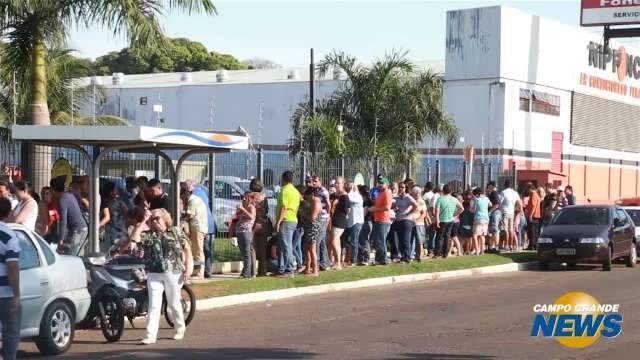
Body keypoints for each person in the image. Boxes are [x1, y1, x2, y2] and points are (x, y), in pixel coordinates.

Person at [131, 208, 192, 345]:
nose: (155, 221)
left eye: (157, 218)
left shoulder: (175, 231)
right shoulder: (148, 235)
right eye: (152, 219)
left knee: (173, 303)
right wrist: (143, 221)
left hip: (173, 272)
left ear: (165, 218)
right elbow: (134, 239)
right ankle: (150, 335)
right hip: (154, 273)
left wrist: (189, 267)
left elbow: (187, 248)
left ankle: (179, 328)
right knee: (154, 305)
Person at [0, 197, 21, 360]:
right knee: (11, 331)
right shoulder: (9, 235)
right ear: (8, 213)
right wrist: (16, 294)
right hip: (5, 294)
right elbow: (12, 267)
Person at [51, 176, 88, 255]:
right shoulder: (68, 194)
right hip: (80, 228)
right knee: (77, 254)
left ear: (53, 190)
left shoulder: (63, 199)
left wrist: (61, 240)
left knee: (72, 256)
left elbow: (63, 221)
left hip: (78, 230)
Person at [275, 171, 301, 277]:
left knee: (286, 246)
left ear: (283, 179)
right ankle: (285, 268)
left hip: (286, 220)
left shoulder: (284, 190)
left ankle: (289, 269)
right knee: (287, 245)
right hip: (293, 219)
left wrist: (278, 222)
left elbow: (284, 207)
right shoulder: (295, 191)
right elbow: (297, 206)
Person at [181, 182, 209, 280]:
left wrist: (182, 220)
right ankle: (197, 271)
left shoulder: (192, 200)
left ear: (186, 194)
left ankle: (200, 273)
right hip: (197, 227)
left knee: (198, 250)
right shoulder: (194, 199)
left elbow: (190, 215)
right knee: (195, 250)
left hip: (198, 227)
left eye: (182, 196)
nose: (182, 198)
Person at [190, 181, 216, 279]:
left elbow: (191, 213)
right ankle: (207, 270)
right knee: (207, 250)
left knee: (200, 250)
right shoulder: (203, 192)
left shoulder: (194, 196)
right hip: (209, 224)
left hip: (201, 225)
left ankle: (201, 271)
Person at [368, 175, 393, 265]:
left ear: (387, 184)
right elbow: (378, 204)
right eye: (379, 183)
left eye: (382, 183)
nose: (380, 184)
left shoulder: (387, 192)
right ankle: (379, 259)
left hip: (383, 220)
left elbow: (387, 207)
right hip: (378, 219)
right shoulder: (380, 193)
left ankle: (383, 259)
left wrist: (374, 209)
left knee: (381, 241)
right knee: (378, 241)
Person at [391, 181, 417, 263]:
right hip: (398, 220)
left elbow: (415, 205)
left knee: (406, 239)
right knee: (401, 239)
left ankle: (407, 257)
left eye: (403, 187)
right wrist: (394, 209)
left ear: (406, 188)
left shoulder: (408, 197)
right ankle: (402, 256)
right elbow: (391, 205)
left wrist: (410, 212)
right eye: (400, 187)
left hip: (406, 220)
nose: (401, 189)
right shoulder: (396, 198)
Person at [435, 184, 464, 258]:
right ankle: (445, 253)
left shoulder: (440, 199)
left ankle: (438, 252)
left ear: (443, 190)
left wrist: (437, 220)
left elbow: (437, 211)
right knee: (447, 237)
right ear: (451, 191)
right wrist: (454, 214)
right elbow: (462, 208)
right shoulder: (454, 199)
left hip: (442, 220)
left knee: (439, 237)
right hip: (451, 220)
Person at [250, 178, 271, 277]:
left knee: (252, 248)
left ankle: (252, 271)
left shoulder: (249, 196)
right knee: (263, 249)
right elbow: (266, 210)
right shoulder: (264, 197)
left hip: (253, 223)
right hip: (263, 224)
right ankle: (263, 271)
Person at [328, 176, 350, 270]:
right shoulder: (334, 195)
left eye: (339, 183)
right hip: (332, 220)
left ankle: (339, 264)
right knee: (333, 242)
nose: (336, 184)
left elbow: (348, 210)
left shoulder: (344, 196)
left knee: (334, 241)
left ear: (343, 184)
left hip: (340, 220)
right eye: (336, 183)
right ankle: (336, 262)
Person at [101, 181, 129, 251]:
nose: (117, 190)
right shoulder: (119, 202)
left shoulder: (103, 201)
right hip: (119, 229)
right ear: (111, 192)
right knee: (120, 248)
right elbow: (127, 213)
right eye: (115, 189)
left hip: (108, 230)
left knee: (109, 249)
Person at [311, 176, 331, 271]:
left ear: (320, 181)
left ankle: (317, 263)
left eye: (316, 181)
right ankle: (325, 263)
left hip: (322, 218)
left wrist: (327, 216)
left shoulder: (323, 191)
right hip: (318, 218)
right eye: (313, 181)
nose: (314, 183)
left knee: (317, 241)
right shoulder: (314, 191)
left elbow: (328, 204)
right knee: (322, 241)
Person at [300, 187, 322, 276]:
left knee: (312, 249)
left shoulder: (316, 201)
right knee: (307, 248)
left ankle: (315, 271)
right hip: (308, 227)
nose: (306, 198)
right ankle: (308, 268)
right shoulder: (312, 201)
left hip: (313, 227)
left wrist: (303, 214)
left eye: (307, 195)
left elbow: (313, 218)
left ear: (311, 194)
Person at [235, 192, 257, 279]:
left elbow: (252, 217)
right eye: (243, 198)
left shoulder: (251, 207)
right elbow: (238, 217)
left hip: (246, 233)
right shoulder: (245, 207)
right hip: (240, 232)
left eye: (245, 198)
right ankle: (245, 272)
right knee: (244, 254)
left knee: (246, 254)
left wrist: (243, 209)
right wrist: (239, 210)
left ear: (250, 199)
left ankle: (246, 273)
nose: (243, 199)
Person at [499, 179, 522, 252]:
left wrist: (500, 209)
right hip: (511, 213)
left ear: (505, 185)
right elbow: (519, 202)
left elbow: (500, 202)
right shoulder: (515, 193)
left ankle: (506, 245)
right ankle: (511, 245)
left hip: (505, 212)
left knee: (505, 229)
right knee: (511, 230)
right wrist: (518, 210)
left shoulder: (503, 192)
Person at [345, 181, 364, 267]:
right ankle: (362, 256)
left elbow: (348, 198)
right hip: (350, 222)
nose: (348, 187)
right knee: (352, 241)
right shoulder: (350, 195)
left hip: (356, 221)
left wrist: (349, 190)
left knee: (354, 241)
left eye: (350, 186)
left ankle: (354, 260)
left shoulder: (357, 196)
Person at [410, 186, 428, 261]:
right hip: (410, 223)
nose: (417, 194)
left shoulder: (421, 202)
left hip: (419, 224)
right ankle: (411, 255)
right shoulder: (410, 201)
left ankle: (419, 256)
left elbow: (424, 214)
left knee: (419, 241)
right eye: (416, 193)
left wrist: (417, 220)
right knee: (410, 240)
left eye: (419, 193)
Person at [471, 187, 490, 255]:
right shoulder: (486, 198)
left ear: (476, 194)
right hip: (486, 218)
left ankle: (476, 251)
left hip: (478, 218)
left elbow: (473, 210)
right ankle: (482, 251)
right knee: (482, 235)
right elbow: (490, 205)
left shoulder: (476, 199)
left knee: (475, 235)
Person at [358, 186, 373, 265]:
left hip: (366, 222)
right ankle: (362, 258)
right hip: (367, 222)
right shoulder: (368, 200)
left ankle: (366, 258)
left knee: (364, 240)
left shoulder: (366, 201)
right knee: (364, 240)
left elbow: (364, 213)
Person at [525, 183, 541, 251]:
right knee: (535, 231)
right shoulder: (537, 195)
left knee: (531, 231)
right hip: (536, 215)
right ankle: (535, 245)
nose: (527, 191)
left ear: (530, 189)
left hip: (533, 216)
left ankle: (532, 245)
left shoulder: (533, 195)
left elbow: (533, 206)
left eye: (527, 189)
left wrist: (530, 215)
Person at [486, 181, 501, 253]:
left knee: (495, 231)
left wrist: (490, 211)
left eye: (488, 186)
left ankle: (496, 247)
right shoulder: (495, 193)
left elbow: (497, 204)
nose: (488, 188)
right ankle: (492, 246)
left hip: (495, 213)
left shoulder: (494, 193)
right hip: (496, 213)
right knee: (493, 230)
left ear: (491, 186)